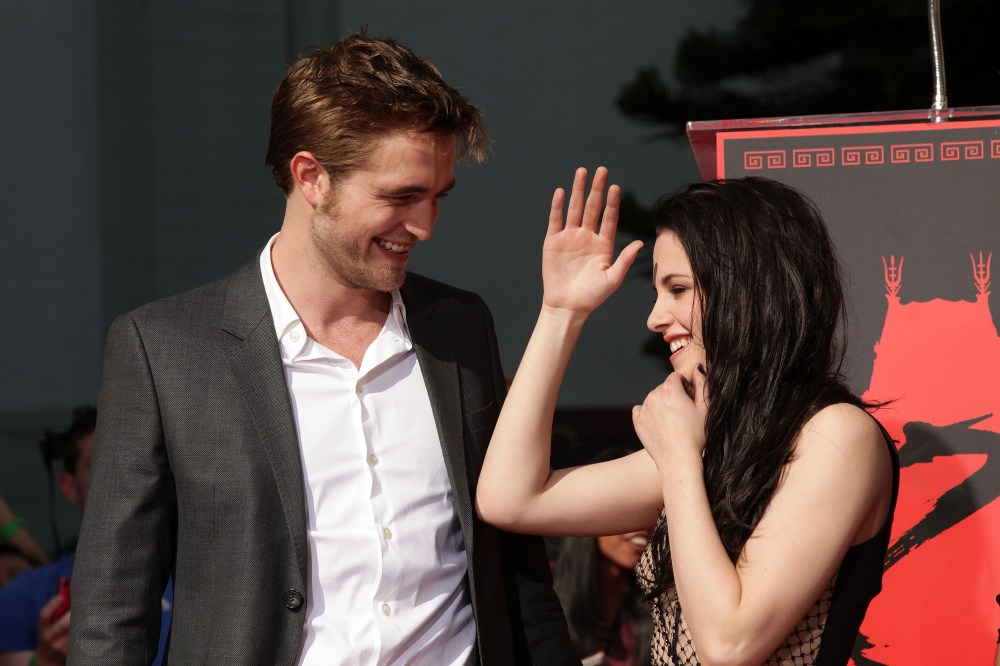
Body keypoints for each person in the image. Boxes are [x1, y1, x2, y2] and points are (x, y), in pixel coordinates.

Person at [67, 32, 575, 666]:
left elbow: (517, 575)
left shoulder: (459, 326)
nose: (425, 226)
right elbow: (112, 614)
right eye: (400, 196)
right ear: (311, 177)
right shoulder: (165, 349)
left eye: (437, 197)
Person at [477, 169, 899, 664]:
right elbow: (510, 499)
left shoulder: (836, 434)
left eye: (677, 289)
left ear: (748, 289)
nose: (655, 318)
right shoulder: (715, 443)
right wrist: (561, 312)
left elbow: (731, 645)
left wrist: (678, 456)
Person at [0, 407, 172, 666]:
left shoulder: (203, 578)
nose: (120, 475)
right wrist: (45, 661)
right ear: (69, 486)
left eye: (136, 461)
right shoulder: (23, 596)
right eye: (98, 463)